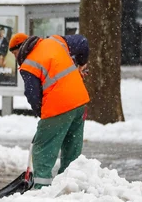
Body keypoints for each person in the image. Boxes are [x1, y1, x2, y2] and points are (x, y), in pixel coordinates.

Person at [9, 32, 90, 189]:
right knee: (71, 147)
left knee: (43, 148)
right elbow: (82, 41)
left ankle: (42, 189)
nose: (15, 57)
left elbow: (32, 95)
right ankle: (70, 187)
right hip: (80, 102)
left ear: (20, 48)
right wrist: (81, 64)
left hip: (59, 106)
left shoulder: (28, 65)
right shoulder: (54, 42)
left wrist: (43, 116)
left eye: (14, 53)